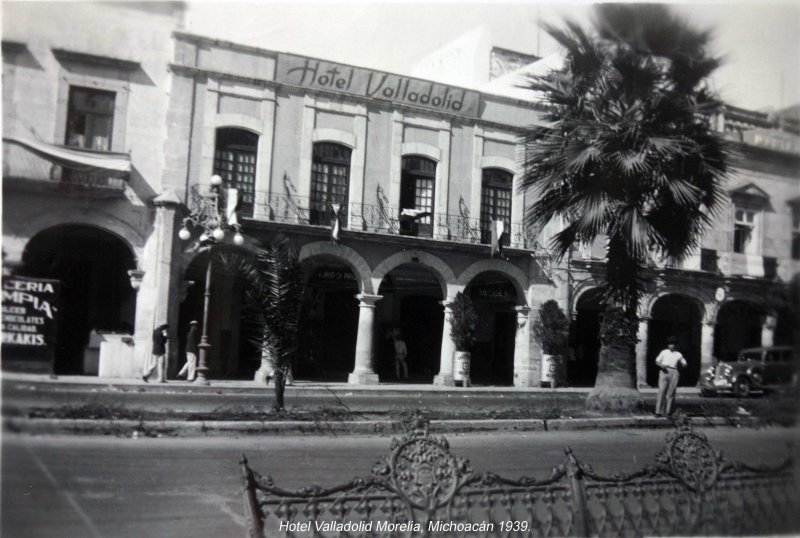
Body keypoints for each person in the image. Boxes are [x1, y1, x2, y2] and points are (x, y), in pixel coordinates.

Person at [654, 336, 687, 417]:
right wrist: (661, 365)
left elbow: (684, 363)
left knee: (670, 392)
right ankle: (658, 412)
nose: (671, 346)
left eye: (672, 344)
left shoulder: (678, 354)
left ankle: (668, 412)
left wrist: (684, 364)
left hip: (674, 371)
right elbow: (657, 361)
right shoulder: (664, 352)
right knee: (661, 391)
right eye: (669, 344)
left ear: (675, 345)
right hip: (664, 371)